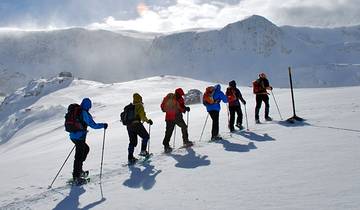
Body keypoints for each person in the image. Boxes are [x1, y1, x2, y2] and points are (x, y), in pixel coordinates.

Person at [69, 98, 108, 184]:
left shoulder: (77, 111)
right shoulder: (84, 113)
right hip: (79, 137)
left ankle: (79, 170)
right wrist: (103, 125)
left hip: (73, 136)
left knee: (85, 149)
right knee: (79, 156)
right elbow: (93, 125)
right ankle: (76, 176)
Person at [161, 88, 193, 153]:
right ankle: (185, 141)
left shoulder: (177, 98)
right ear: (177, 93)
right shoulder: (173, 98)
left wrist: (185, 108)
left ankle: (166, 146)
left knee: (169, 132)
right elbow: (180, 107)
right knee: (182, 127)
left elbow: (181, 106)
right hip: (175, 117)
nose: (181, 96)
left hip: (170, 118)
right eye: (180, 94)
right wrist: (185, 109)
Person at [126, 93, 153, 164]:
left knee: (132, 142)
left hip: (129, 126)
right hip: (136, 124)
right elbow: (142, 116)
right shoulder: (139, 106)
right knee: (146, 136)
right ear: (140, 99)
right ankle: (143, 151)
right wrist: (148, 121)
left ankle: (130, 157)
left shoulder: (130, 107)